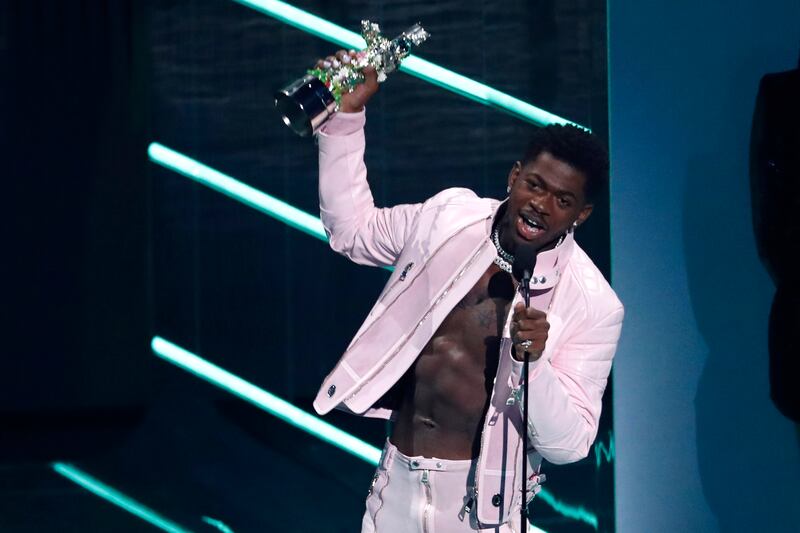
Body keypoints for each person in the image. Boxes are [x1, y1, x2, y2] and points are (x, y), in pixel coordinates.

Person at [311, 51, 624, 533]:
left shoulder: (592, 304)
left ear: (581, 215)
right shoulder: (448, 218)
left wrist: (534, 364)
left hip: (479, 512)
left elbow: (571, 444)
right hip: (395, 484)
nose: (541, 205)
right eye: (535, 185)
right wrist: (345, 122)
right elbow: (351, 231)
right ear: (514, 175)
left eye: (563, 201)